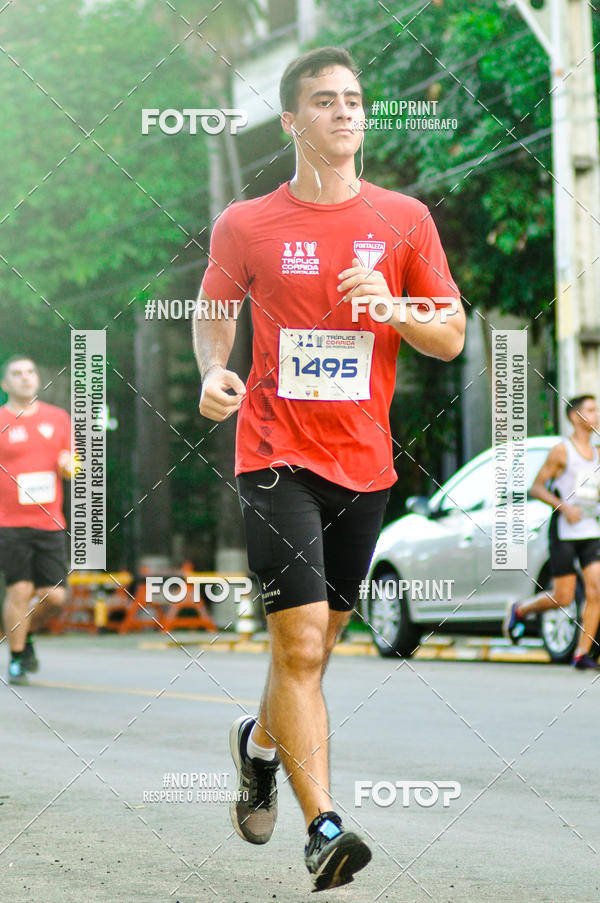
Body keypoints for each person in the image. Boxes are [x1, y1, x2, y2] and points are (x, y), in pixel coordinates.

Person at [193, 46, 464, 891]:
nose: (345, 112)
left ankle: (258, 745)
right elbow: (213, 309)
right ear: (291, 121)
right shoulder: (245, 222)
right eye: (324, 100)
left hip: (365, 465)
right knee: (302, 646)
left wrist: (392, 307)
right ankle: (326, 827)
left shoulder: (405, 219)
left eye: (353, 100)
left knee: (314, 646)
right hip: (275, 456)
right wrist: (212, 370)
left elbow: (450, 335)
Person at [504, 395, 600, 669]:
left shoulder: (598, 454)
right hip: (565, 531)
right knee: (564, 597)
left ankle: (582, 654)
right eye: (591, 410)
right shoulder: (562, 451)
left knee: (596, 591)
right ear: (575, 417)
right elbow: (536, 487)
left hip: (590, 530)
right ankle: (520, 609)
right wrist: (564, 507)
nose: (596, 416)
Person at [0, 356, 72, 684]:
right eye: (16, 374)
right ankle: (17, 657)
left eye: (30, 372)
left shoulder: (58, 419)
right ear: (5, 384)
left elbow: (71, 463)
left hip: (50, 522)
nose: (25, 378)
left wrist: (70, 466)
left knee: (55, 598)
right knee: (20, 588)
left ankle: (22, 632)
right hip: (9, 522)